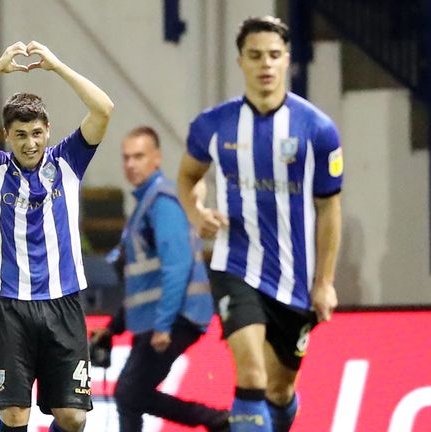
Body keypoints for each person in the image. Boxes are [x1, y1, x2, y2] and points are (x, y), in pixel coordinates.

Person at [176, 16, 343, 432]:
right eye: (255, 56)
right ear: (241, 62)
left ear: (286, 59)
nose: (265, 64)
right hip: (236, 266)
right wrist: (196, 214)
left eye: (273, 55)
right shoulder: (213, 125)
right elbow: (187, 178)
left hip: (295, 280)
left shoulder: (318, 130)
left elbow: (329, 209)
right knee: (251, 377)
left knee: (279, 391)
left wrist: (324, 281)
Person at [0, 41, 113, 432]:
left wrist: (56, 66)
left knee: (73, 418)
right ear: (7, 135)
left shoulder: (68, 161)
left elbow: (104, 109)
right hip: (12, 307)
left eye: (37, 133)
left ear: (48, 131)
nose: (30, 143)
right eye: (20, 134)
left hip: (64, 302)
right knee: (14, 414)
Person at [90, 126, 229, 432]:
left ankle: (218, 421)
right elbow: (146, 282)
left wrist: (164, 324)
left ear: (157, 159)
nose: (130, 164)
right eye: (126, 158)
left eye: (139, 156)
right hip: (161, 317)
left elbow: (176, 266)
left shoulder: (162, 202)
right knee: (130, 395)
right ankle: (217, 421)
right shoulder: (147, 203)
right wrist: (113, 328)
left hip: (174, 317)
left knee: (128, 394)